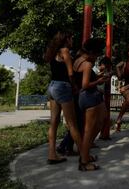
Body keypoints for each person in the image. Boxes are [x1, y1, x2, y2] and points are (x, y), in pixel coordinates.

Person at [44, 31, 84, 169]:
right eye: (71, 37)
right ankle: (85, 157)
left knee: (53, 123)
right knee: (73, 124)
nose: (73, 40)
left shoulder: (53, 52)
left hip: (52, 86)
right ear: (66, 39)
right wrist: (75, 87)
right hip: (62, 86)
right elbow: (70, 73)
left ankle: (52, 155)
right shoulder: (65, 51)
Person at [73, 38, 108, 171]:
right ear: (92, 52)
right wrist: (99, 82)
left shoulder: (77, 60)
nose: (97, 58)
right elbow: (85, 85)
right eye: (97, 55)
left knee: (99, 122)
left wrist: (97, 78)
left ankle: (85, 155)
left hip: (85, 98)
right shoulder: (87, 64)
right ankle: (84, 162)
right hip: (89, 97)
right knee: (88, 131)